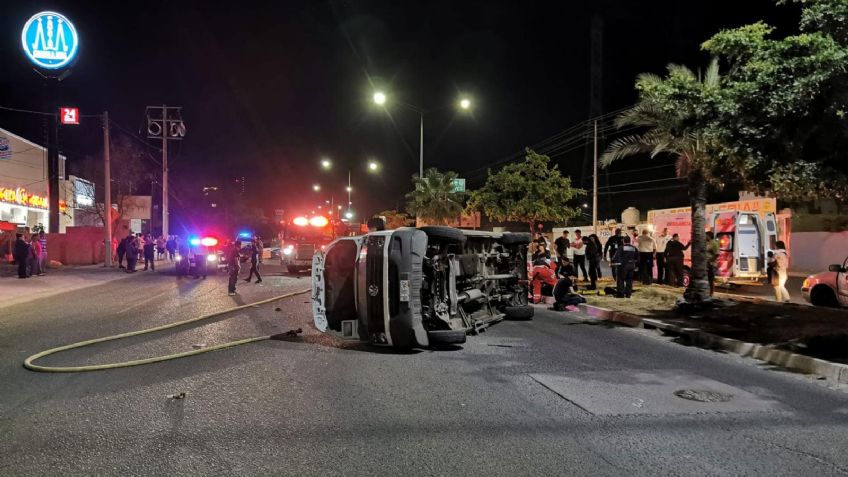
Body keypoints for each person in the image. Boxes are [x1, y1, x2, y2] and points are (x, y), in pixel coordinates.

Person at [706, 231, 720, 296]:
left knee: (710, 279)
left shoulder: (714, 243)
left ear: (709, 236)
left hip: (711, 264)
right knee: (707, 278)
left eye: (706, 235)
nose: (705, 237)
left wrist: (710, 260)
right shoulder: (707, 243)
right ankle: (707, 292)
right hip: (706, 263)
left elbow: (717, 254)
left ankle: (711, 293)